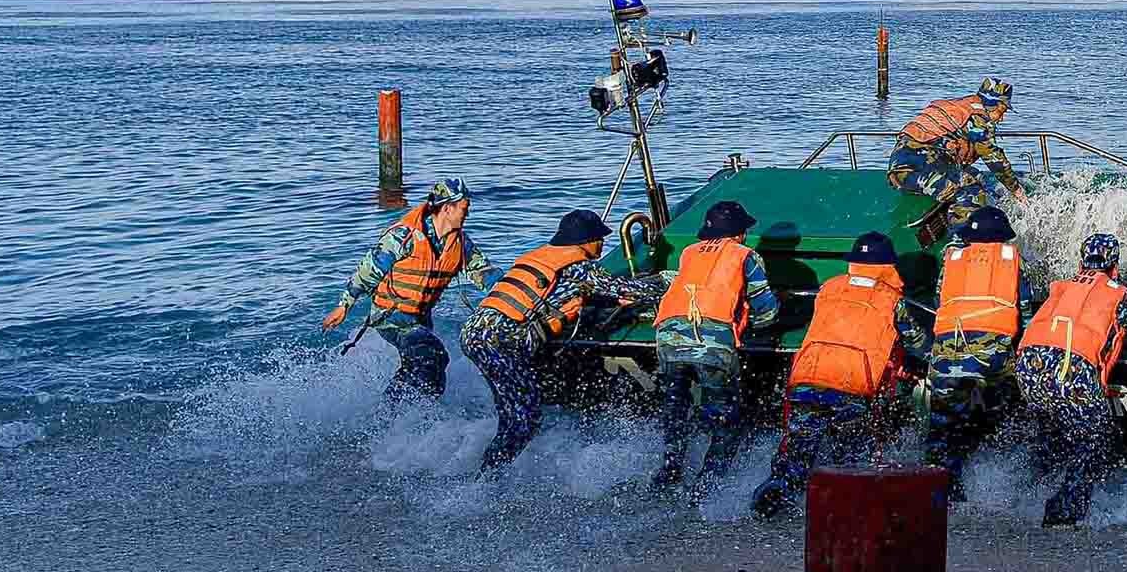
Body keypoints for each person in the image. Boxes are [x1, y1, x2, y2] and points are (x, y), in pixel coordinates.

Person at [749, 234, 934, 519]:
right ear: (889, 266)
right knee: (851, 457)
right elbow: (918, 345)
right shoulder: (893, 301)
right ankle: (842, 513)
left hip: (807, 379)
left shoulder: (829, 289)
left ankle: (776, 494)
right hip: (852, 385)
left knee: (796, 452)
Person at [461, 209, 662, 471]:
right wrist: (666, 285)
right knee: (526, 418)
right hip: (500, 341)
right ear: (585, 240)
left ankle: (488, 469)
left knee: (511, 415)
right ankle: (485, 481)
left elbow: (565, 295)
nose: (602, 243)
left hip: (475, 332)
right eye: (599, 238)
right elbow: (621, 288)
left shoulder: (539, 256)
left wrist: (609, 300)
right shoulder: (577, 266)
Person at [1011, 232, 1127, 526]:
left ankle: (1022, 495)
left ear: (1081, 262)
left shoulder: (1060, 287)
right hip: (1068, 369)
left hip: (1027, 367)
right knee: (1096, 438)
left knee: (1052, 432)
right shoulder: (1118, 293)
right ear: (1115, 266)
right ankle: (1064, 509)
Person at [648, 200, 782, 496]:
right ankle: (706, 487)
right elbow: (766, 310)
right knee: (724, 414)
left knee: (675, 406)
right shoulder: (747, 255)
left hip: (668, 339)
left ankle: (668, 470)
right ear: (739, 233)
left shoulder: (688, 252)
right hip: (712, 344)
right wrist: (759, 326)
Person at [922, 205, 1047, 500]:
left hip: (944, 354)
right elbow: (1027, 317)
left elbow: (941, 300)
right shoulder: (1015, 264)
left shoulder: (951, 262)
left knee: (942, 428)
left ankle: (936, 494)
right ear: (1002, 238)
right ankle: (1004, 484)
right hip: (991, 357)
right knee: (1009, 412)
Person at [321, 178, 484, 403]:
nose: (467, 214)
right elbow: (367, 272)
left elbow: (485, 272)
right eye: (464, 209)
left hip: (419, 320)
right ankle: (403, 413)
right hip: (391, 317)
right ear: (447, 208)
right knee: (432, 355)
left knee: (421, 364)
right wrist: (344, 306)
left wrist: (514, 297)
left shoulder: (460, 244)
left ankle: (394, 411)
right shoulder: (403, 237)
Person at [885, 76, 1026, 218]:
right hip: (922, 164)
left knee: (975, 176)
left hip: (900, 165)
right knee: (972, 195)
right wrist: (1016, 190)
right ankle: (960, 232)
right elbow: (993, 158)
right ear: (992, 104)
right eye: (1002, 111)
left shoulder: (959, 105)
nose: (1002, 118)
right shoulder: (979, 118)